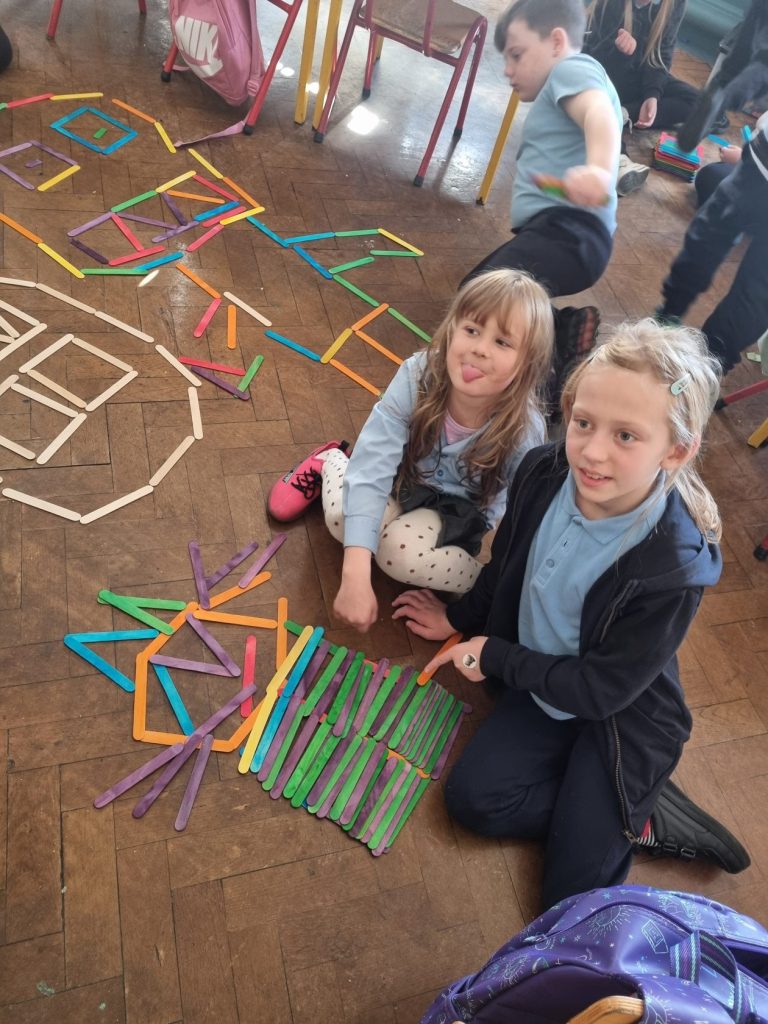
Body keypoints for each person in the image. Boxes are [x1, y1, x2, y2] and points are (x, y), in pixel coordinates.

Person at [393, 320, 750, 910]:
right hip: (546, 688)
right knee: (474, 802)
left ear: (676, 451)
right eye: (584, 423)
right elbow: (506, 564)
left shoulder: (671, 566)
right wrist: (460, 619)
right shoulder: (543, 471)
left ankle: (635, 816)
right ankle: (628, 813)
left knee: (570, 897)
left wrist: (497, 655)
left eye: (626, 436)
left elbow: (602, 690)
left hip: (619, 714)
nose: (593, 451)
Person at [267, 269, 554, 632]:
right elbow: (373, 466)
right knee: (343, 523)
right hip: (400, 481)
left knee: (399, 555)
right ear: (451, 330)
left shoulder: (525, 431)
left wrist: (466, 614)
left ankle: (480, 589)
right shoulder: (418, 375)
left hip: (459, 512)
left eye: (502, 342)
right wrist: (355, 572)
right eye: (471, 330)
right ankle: (330, 460)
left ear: (527, 364)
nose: (480, 348)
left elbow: (523, 528)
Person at [462, 0, 621, 390]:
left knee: (481, 301)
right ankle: (563, 330)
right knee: (480, 290)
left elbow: (598, 112)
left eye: (516, 55)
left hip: (569, 232)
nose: (508, 70)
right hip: (562, 233)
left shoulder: (571, 68)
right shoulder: (564, 83)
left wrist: (600, 171)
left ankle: (547, 379)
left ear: (556, 42)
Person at [656, 111, 768, 373]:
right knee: (708, 239)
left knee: (755, 289)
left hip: (757, 165)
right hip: (757, 162)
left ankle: (706, 363)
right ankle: (673, 322)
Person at [583, 0, 711, 194]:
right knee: (593, 106)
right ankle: (618, 158)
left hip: (640, 75)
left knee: (699, 103)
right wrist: (622, 49)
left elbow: (661, 56)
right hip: (606, 73)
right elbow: (592, 52)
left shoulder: (674, 4)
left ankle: (624, 113)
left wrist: (653, 95)